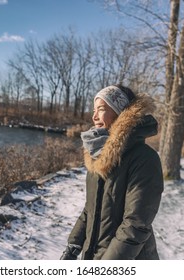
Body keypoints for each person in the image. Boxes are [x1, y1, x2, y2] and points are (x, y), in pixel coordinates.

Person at [60, 84, 164, 260]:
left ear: (121, 113)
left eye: (101, 109)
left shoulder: (145, 159)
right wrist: (74, 244)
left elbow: (135, 225)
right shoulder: (97, 155)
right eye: (94, 110)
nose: (94, 116)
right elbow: (90, 209)